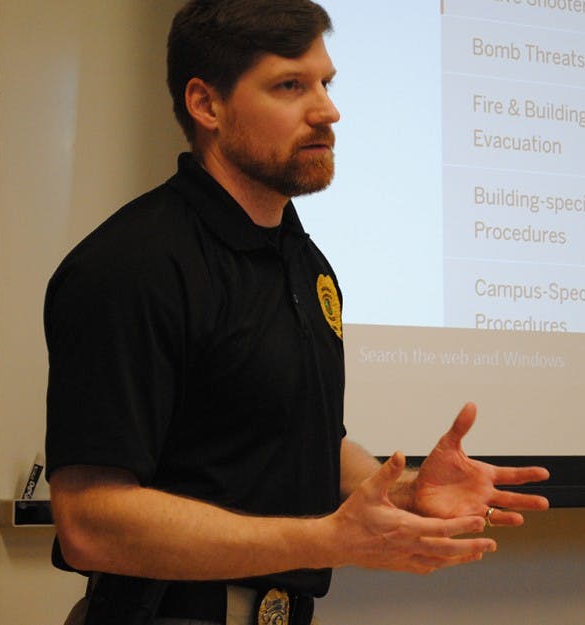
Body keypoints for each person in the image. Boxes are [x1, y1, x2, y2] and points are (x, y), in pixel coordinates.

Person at [43, 1, 550, 624]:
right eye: (290, 85)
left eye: (325, 84)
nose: (327, 110)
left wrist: (406, 492)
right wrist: (326, 539)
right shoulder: (131, 265)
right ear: (206, 105)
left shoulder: (305, 263)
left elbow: (295, 440)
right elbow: (90, 522)